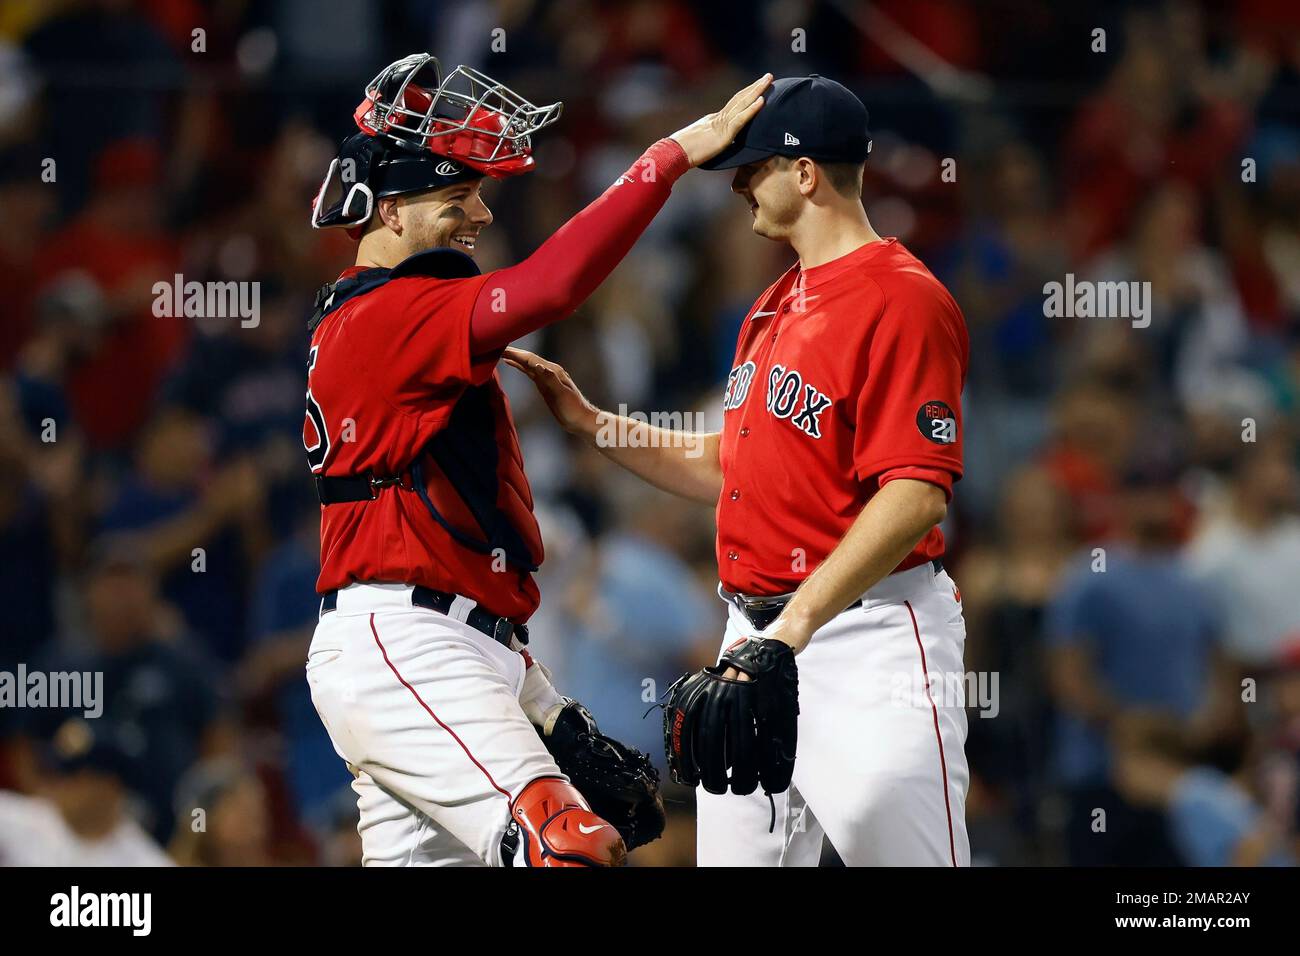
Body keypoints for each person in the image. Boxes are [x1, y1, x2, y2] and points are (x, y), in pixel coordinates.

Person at [302, 53, 771, 867]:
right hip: (407, 641)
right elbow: (551, 286)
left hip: (438, 639)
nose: (479, 214)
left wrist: (537, 697)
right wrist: (669, 157)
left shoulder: (382, 315)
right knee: (568, 848)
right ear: (384, 209)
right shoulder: (390, 311)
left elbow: (445, 555)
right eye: (457, 195)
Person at [509, 74, 972, 865]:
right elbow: (733, 463)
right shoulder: (772, 303)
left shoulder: (903, 299)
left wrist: (792, 630)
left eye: (753, 166)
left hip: (867, 635)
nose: (737, 184)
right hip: (754, 637)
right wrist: (597, 426)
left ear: (806, 173)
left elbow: (916, 494)